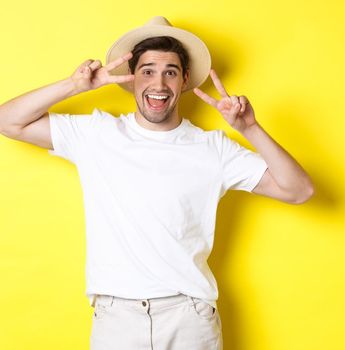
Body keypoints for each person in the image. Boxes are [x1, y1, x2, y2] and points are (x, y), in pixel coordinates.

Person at [0, 16, 314, 350]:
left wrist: (250, 128)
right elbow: (8, 121)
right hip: (116, 319)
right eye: (147, 70)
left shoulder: (213, 149)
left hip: (189, 317)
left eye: (170, 72)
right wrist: (75, 86)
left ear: (185, 80)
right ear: (132, 77)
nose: (159, 84)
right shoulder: (96, 134)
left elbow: (299, 190)